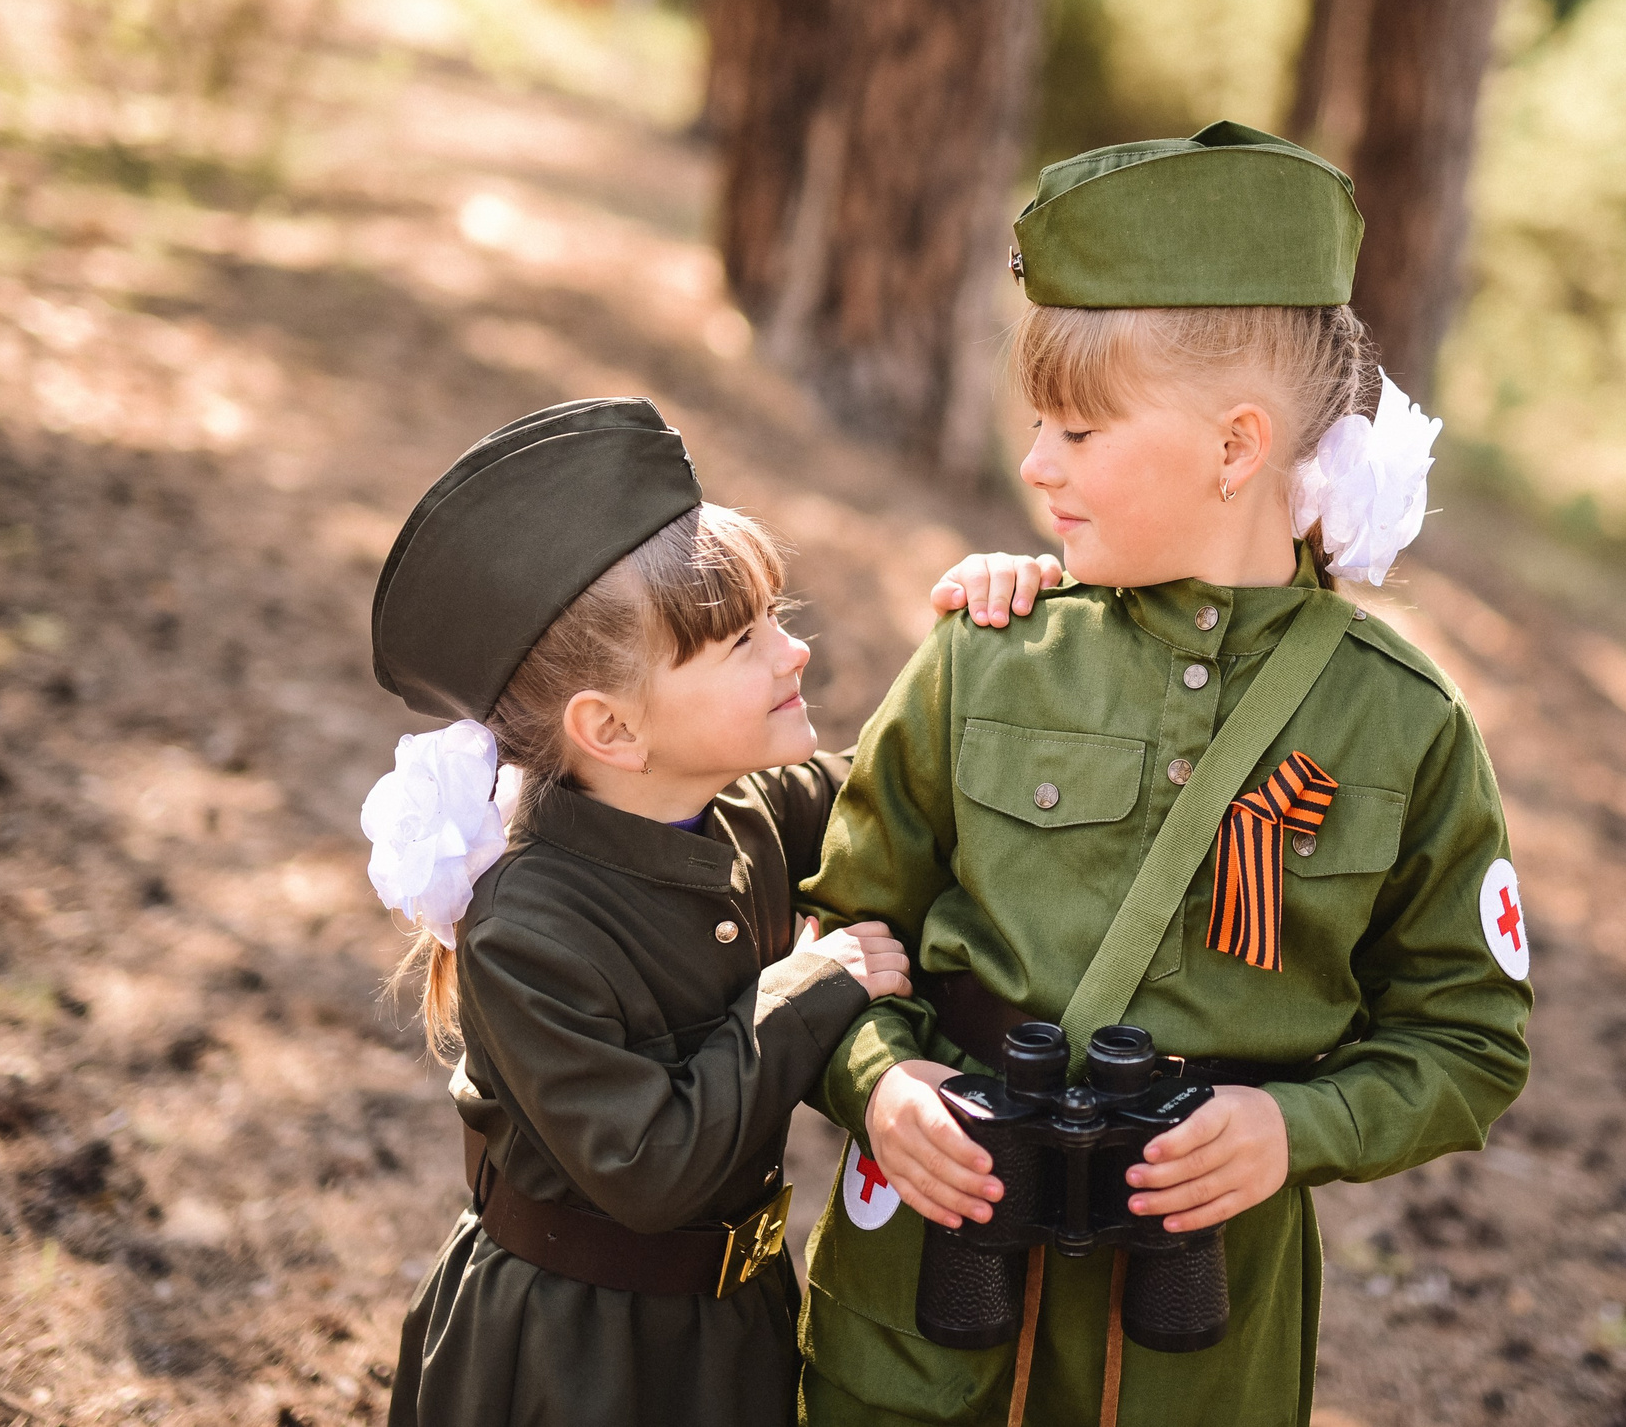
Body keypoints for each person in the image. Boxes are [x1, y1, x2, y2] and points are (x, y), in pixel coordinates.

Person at [796, 123, 1535, 1427]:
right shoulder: (986, 658)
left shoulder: (1401, 728)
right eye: (1037, 426)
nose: (1035, 466)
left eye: (1078, 432)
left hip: (1193, 1336)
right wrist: (881, 1079)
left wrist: (1290, 1131)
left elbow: (1467, 1040)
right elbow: (839, 926)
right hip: (934, 1286)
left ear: (1236, 446)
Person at [364, 397, 1060, 1427]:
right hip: (571, 1358)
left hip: (733, 1327)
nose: (795, 653)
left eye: (778, 618)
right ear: (610, 728)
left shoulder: (760, 807)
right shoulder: (526, 924)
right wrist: (807, 988)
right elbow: (649, 1163)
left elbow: (918, 795)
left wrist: (999, 632)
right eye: (743, 639)